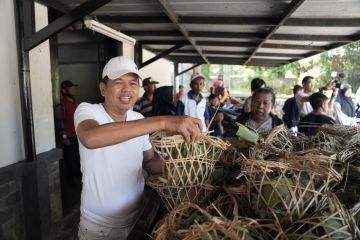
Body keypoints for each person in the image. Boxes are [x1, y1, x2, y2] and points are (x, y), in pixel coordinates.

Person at [74, 56, 202, 240]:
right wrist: (164, 121)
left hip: (137, 218)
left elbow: (148, 162)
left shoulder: (138, 119)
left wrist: (179, 165)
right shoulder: (88, 111)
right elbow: (90, 137)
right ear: (103, 89)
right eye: (119, 83)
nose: (127, 89)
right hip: (100, 228)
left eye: (133, 83)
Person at [60, 80, 81, 182]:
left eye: (74, 88)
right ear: (64, 90)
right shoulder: (62, 104)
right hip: (69, 136)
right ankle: (71, 179)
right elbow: (61, 121)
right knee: (69, 159)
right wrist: (64, 137)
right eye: (71, 88)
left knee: (78, 157)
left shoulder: (76, 103)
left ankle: (78, 176)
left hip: (78, 135)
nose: (74, 90)